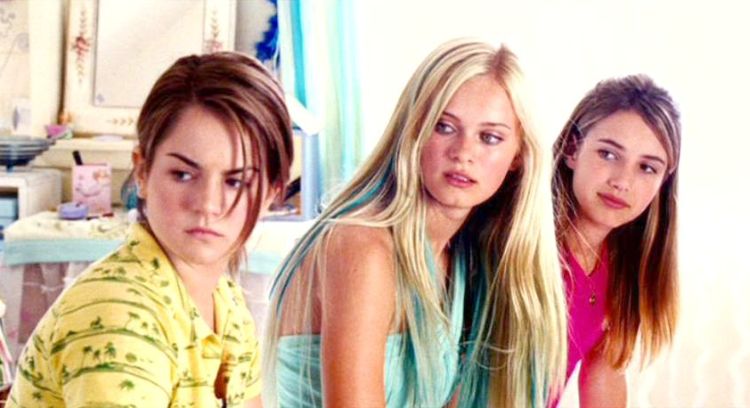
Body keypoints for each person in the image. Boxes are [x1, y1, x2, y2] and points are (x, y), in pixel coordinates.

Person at [262, 38, 567, 408]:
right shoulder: (362, 245)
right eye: (444, 126)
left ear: (517, 156)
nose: (463, 153)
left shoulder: (463, 261)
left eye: (489, 138)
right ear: (413, 129)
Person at [7, 51, 294, 407]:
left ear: (271, 194)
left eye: (236, 182)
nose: (208, 204)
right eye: (183, 174)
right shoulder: (119, 314)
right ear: (142, 171)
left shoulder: (229, 307)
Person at [551, 75, 681, 406]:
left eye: (647, 168)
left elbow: (605, 381)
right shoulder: (522, 245)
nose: (623, 181)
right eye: (608, 154)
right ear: (572, 149)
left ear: (662, 183)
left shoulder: (621, 272)